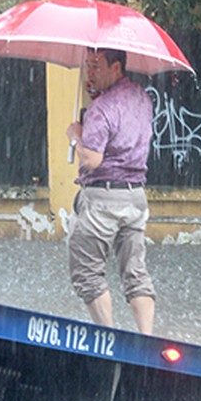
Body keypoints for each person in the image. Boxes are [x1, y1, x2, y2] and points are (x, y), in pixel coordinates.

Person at [65, 48, 157, 335]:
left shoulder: (102, 108)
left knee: (87, 273)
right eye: (87, 66)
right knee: (135, 272)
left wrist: (75, 137)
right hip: (135, 198)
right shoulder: (142, 97)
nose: (90, 73)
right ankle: (147, 338)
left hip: (103, 199)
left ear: (116, 67)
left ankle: (110, 338)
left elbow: (92, 159)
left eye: (96, 66)